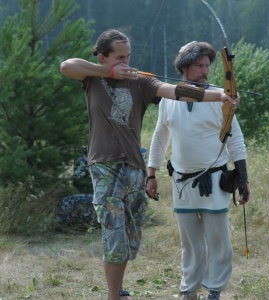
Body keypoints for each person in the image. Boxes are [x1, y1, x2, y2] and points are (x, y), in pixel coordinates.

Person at [60, 29, 239, 300]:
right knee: (114, 236)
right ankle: (113, 296)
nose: (126, 61)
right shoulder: (91, 78)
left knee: (130, 239)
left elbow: (176, 91)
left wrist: (221, 96)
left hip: (134, 167)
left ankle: (118, 289)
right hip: (105, 166)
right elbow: (66, 66)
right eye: (119, 57)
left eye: (128, 56)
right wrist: (109, 73)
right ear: (102, 56)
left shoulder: (141, 81)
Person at [146, 41, 250, 300]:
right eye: (199, 65)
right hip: (182, 182)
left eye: (207, 66)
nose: (205, 71)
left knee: (219, 242)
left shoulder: (219, 96)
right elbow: (160, 136)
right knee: (190, 244)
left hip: (214, 179)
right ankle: (189, 290)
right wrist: (151, 173)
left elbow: (234, 137)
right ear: (184, 67)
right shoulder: (169, 98)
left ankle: (214, 290)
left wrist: (243, 178)